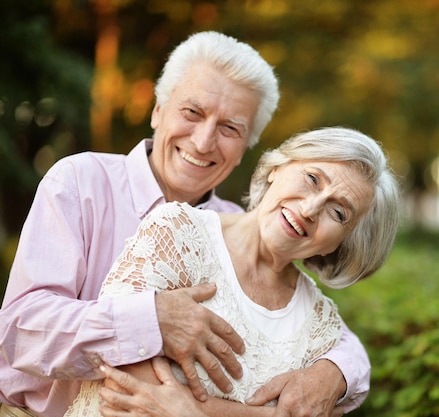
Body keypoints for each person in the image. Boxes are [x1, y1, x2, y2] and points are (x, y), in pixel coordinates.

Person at [0, 31, 370, 417]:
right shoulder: (80, 182)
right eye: (192, 113)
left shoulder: (240, 230)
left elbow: (337, 339)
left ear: (246, 148)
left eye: (230, 128)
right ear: (158, 110)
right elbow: (20, 333)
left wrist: (334, 372)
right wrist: (151, 319)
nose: (204, 141)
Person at [64, 126, 400, 417]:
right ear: (276, 169)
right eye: (312, 179)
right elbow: (128, 389)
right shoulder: (176, 233)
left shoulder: (319, 323)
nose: (311, 209)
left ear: (339, 243)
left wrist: (193, 411)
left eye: (339, 213)